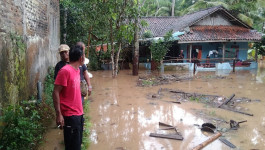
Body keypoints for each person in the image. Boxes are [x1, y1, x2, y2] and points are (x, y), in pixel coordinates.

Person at [53, 45, 85, 150]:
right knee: (72, 147)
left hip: (79, 114)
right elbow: (56, 92)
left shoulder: (77, 70)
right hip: (70, 116)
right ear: (81, 58)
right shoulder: (65, 71)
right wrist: (59, 115)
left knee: (77, 144)